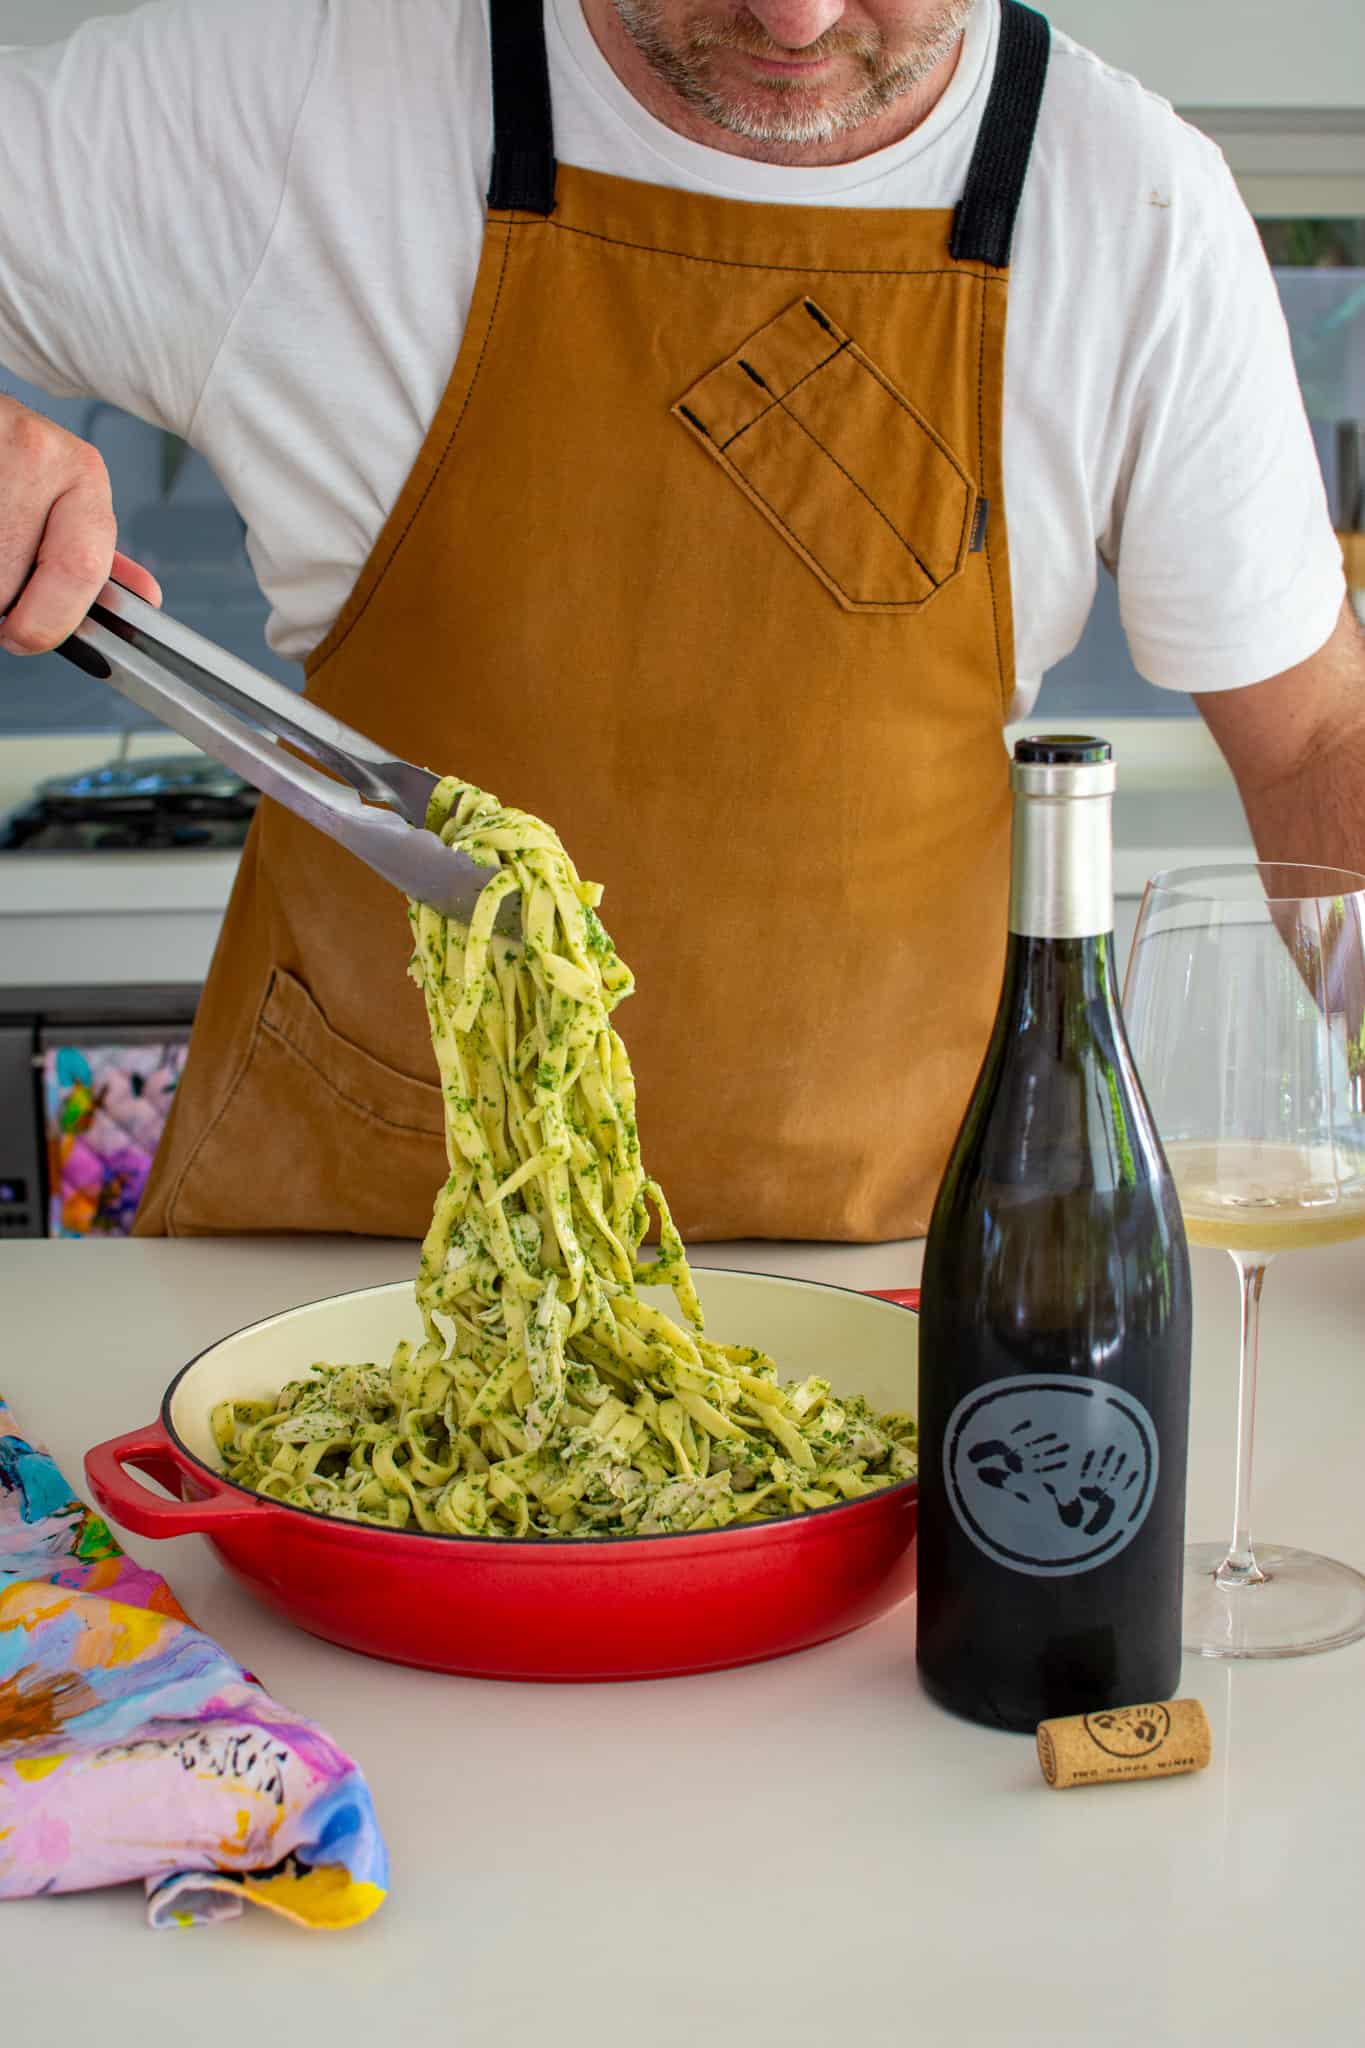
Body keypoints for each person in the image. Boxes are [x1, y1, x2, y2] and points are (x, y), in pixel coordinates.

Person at [1, 0, 1361, 1242]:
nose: (797, 15)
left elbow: (1310, 742)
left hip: (904, 1265)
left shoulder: (1131, 201)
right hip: (350, 1258)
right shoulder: (301, 97)